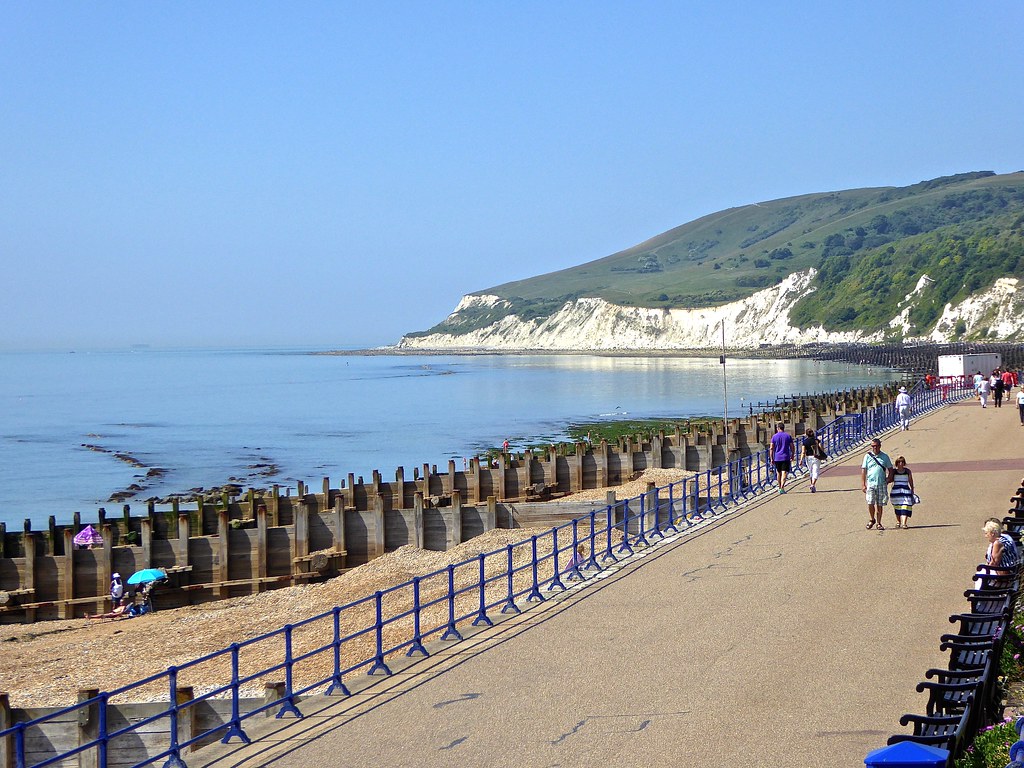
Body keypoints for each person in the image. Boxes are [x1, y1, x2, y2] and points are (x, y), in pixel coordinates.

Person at [861, 438, 893, 530]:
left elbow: (890, 469)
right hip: (871, 483)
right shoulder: (867, 456)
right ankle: (872, 519)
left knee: (880, 504)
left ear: (879, 446)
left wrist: (888, 479)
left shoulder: (885, 456)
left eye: (876, 446)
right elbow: (864, 470)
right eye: (872, 446)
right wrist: (863, 484)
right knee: (870, 502)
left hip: (881, 483)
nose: (874, 448)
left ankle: (879, 523)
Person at [889, 456, 915, 529]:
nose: (901, 463)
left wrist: (912, 488)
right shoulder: (894, 471)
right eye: (899, 462)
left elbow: (910, 480)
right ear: (897, 463)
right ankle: (898, 521)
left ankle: (904, 523)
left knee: (905, 506)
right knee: (897, 507)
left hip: (906, 491)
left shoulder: (907, 471)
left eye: (902, 462)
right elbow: (890, 479)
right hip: (896, 492)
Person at [770, 423, 795, 494]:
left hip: (777, 457)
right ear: (783, 428)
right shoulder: (788, 436)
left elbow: (771, 448)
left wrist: (771, 458)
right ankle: (782, 487)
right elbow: (792, 446)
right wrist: (792, 454)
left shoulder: (774, 437)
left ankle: (779, 487)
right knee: (784, 472)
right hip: (785, 457)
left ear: (778, 428)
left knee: (778, 472)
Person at [800, 428, 825, 493]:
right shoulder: (817, 440)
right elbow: (822, 448)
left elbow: (803, 452)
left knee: (811, 471)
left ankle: (812, 485)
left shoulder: (805, 442)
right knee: (816, 471)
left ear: (806, 434)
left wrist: (801, 460)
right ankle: (813, 484)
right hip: (816, 457)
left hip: (808, 457)